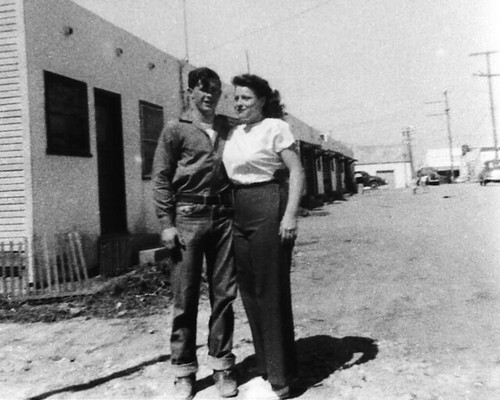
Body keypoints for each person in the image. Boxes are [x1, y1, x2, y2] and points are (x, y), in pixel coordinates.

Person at [152, 67, 238, 400]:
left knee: (224, 296)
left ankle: (222, 366)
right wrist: (166, 223)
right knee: (184, 299)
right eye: (202, 90)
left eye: (215, 90)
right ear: (190, 92)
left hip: (223, 218)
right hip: (187, 217)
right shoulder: (176, 130)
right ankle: (184, 371)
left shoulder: (228, 128)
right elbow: (160, 178)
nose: (209, 95)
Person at [222, 74, 305, 399]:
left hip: (268, 203)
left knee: (270, 290)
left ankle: (282, 379)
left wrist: (290, 215)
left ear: (261, 100)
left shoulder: (276, 127)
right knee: (249, 290)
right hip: (238, 208)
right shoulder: (233, 132)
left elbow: (296, 171)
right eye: (236, 99)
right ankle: (266, 367)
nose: (239, 103)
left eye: (246, 98)